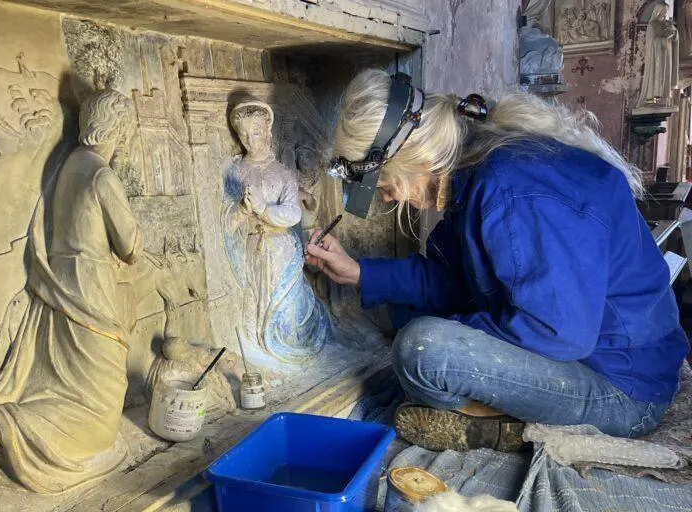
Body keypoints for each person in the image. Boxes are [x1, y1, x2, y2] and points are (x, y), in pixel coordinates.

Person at [306, 69, 688, 452]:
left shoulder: (511, 187)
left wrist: (453, 329)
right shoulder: (475, 170)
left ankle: (503, 428)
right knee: (407, 314)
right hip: (584, 349)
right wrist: (358, 273)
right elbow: (449, 281)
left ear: (412, 157)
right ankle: (492, 413)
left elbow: (557, 333)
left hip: (621, 387)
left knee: (422, 350)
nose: (387, 197)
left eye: (385, 184)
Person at [0, 88, 143, 500]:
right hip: (90, 289)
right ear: (114, 129)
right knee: (99, 411)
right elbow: (130, 246)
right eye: (125, 128)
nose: (127, 136)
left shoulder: (69, 164)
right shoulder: (102, 175)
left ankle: (1, 428)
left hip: (59, 284)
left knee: (68, 388)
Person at [222, 100, 329, 366]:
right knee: (259, 304)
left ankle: (289, 343)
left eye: (256, 133)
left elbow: (293, 214)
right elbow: (227, 222)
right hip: (255, 252)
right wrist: (243, 211)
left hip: (282, 250)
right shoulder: (236, 171)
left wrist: (263, 208)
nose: (250, 141)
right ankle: (261, 347)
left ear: (267, 132)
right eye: (244, 135)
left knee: (288, 308)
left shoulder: (281, 173)